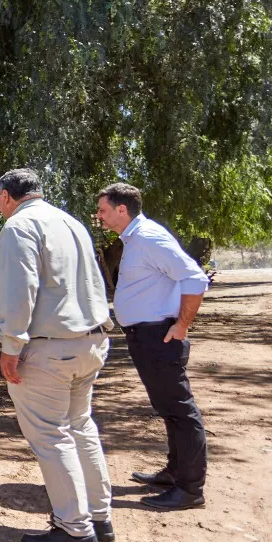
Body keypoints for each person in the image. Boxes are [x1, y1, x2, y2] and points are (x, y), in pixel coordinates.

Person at [0, 168, 114, 542]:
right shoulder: (71, 222)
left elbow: (18, 289)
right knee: (80, 427)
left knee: (51, 436)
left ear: (6, 196)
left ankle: (75, 531)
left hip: (49, 348)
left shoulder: (18, 228)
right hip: (90, 341)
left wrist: (11, 345)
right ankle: (99, 517)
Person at [96, 183, 210, 511]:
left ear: (122, 209)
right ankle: (175, 473)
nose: (99, 216)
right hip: (146, 337)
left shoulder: (148, 237)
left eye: (103, 210)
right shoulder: (136, 238)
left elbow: (194, 278)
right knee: (168, 409)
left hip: (160, 336)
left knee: (179, 410)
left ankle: (190, 490)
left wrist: (182, 325)